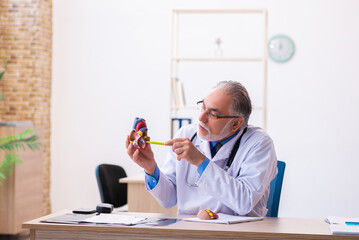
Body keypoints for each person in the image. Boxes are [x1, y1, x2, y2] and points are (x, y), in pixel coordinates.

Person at [126, 81, 277, 217]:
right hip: (190, 231)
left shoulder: (259, 144)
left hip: (237, 233)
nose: (201, 118)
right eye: (203, 107)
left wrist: (200, 161)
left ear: (236, 124)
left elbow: (245, 202)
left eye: (212, 114)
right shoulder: (187, 134)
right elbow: (169, 199)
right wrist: (150, 168)